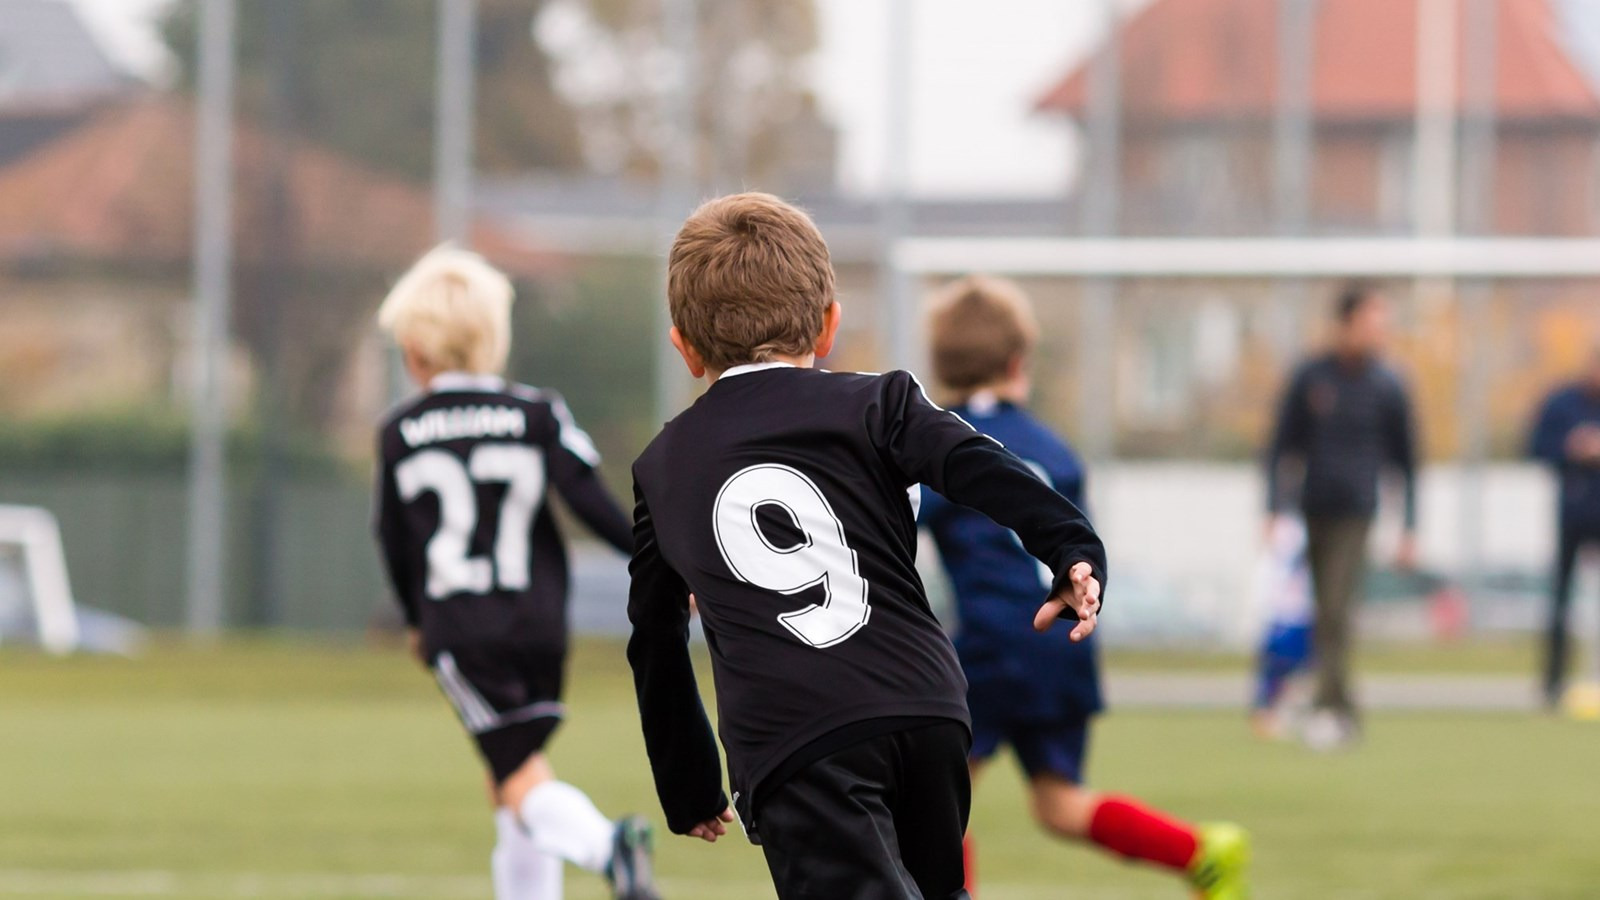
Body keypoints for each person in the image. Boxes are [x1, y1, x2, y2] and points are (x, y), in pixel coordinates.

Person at [625, 193, 1107, 900]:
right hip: (929, 708)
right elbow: (979, 463)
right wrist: (1069, 547)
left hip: (801, 740)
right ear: (827, 327)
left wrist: (687, 777)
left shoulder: (664, 465)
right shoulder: (880, 401)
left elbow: (657, 634)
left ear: (684, 346)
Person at [918, 276, 1249, 900]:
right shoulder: (1056, 449)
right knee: (1058, 802)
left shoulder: (940, 446)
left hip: (989, 648)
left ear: (941, 365)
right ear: (1020, 363)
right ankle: (1201, 853)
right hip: (1062, 646)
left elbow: (899, 526)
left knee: (931, 805)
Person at [372, 245, 659, 900]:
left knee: (519, 773)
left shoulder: (400, 432)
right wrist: (662, 567)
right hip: (539, 626)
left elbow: (393, 540)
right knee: (511, 770)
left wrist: (417, 621)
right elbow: (593, 502)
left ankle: (606, 845)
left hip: (464, 627)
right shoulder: (538, 413)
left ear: (414, 349)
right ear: (493, 340)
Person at [1265, 281, 1419, 750]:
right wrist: (1272, 507)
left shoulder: (1388, 384)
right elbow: (1281, 445)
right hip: (1314, 508)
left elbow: (1407, 461)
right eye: (1374, 322)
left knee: (1336, 609)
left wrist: (1410, 525)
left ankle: (1332, 709)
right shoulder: (1312, 377)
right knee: (1324, 612)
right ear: (1347, 323)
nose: (1381, 332)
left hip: (1359, 511)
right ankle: (1336, 703)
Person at [1528, 350, 1600, 710]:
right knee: (1560, 602)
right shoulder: (1562, 402)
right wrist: (1571, 448)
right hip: (1573, 514)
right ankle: (1553, 685)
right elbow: (1535, 446)